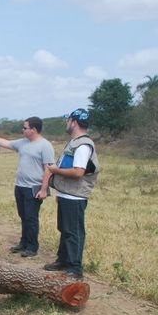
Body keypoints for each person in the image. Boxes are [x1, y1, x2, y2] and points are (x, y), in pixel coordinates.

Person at [0, 117, 55, 257]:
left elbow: (49, 169)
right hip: (20, 186)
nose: (22, 130)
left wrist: (44, 189)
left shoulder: (45, 146)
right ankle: (23, 243)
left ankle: (32, 247)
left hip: (34, 188)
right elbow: (6, 143)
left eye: (25, 128)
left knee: (31, 218)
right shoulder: (23, 143)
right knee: (23, 216)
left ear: (34, 129)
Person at [44, 108, 100, 279]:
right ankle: (63, 260)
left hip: (75, 196)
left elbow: (78, 172)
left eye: (68, 120)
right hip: (67, 194)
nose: (66, 123)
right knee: (65, 229)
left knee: (73, 232)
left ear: (74, 122)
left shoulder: (82, 145)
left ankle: (75, 269)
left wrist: (56, 170)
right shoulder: (75, 142)